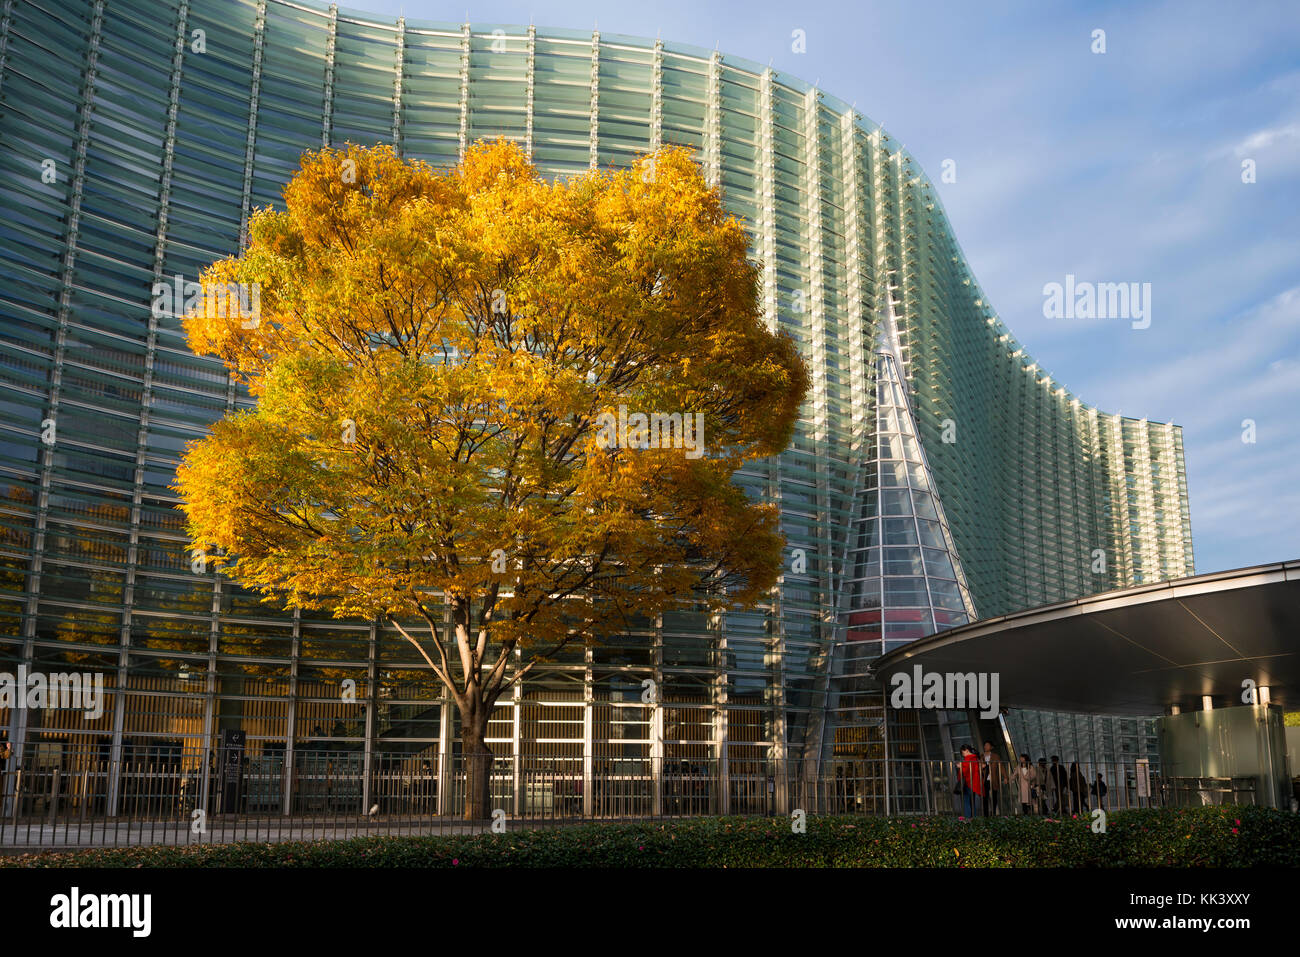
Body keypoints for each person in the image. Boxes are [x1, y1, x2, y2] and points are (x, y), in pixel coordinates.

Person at [981, 740, 1005, 817]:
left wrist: (1005, 777)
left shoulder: (995, 756)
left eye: (987, 745)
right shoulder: (981, 756)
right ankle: (986, 815)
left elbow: (1001, 767)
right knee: (985, 797)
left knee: (994, 797)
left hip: (993, 779)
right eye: (985, 745)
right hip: (984, 780)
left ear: (991, 747)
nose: (986, 747)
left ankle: (994, 813)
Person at [958, 744, 983, 819]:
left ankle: (968, 818)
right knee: (972, 801)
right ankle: (973, 818)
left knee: (966, 801)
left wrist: (960, 766)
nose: (963, 755)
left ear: (967, 750)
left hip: (968, 782)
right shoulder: (975, 758)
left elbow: (966, 770)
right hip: (973, 783)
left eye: (963, 753)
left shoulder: (969, 758)